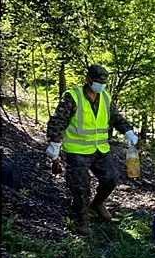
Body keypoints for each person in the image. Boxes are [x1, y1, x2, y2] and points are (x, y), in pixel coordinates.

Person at [46, 64, 138, 235]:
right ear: (88, 80)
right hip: (77, 150)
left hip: (100, 149)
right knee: (80, 187)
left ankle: (97, 204)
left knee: (110, 179)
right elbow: (57, 121)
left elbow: (116, 117)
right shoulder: (72, 97)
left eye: (104, 83)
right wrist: (55, 143)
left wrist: (128, 131)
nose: (101, 86)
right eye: (98, 82)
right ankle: (82, 218)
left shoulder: (106, 98)